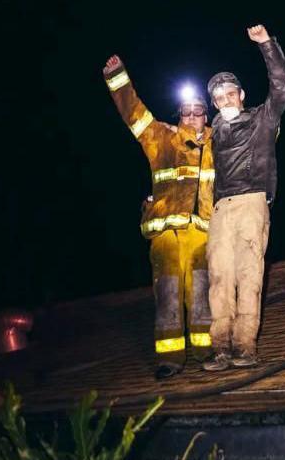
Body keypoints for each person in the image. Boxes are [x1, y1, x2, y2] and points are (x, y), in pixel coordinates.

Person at [103, 54, 215, 379]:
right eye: (187, 111)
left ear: (206, 114)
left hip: (203, 232)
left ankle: (205, 351)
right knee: (167, 293)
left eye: (199, 111)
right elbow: (133, 114)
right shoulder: (161, 139)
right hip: (166, 232)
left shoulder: (218, 143)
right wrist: (118, 77)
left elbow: (251, 142)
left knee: (201, 293)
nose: (193, 115)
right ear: (179, 114)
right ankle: (170, 358)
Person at [202, 25, 285, 371]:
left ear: (241, 94)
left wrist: (266, 45)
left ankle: (245, 346)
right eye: (219, 97)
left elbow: (283, 86)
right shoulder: (212, 135)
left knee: (249, 275)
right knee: (219, 278)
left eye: (230, 94)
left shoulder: (262, 119)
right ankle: (220, 348)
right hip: (221, 209)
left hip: (252, 203)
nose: (225, 100)